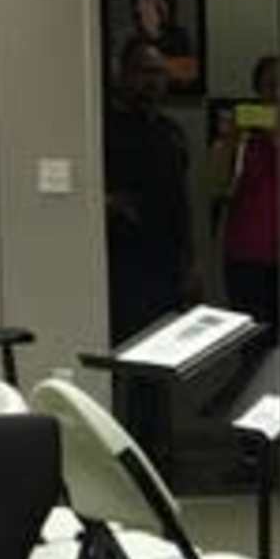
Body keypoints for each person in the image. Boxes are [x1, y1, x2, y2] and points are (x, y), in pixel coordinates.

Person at [216, 53, 280, 350]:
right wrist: (231, 140)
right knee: (254, 351)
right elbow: (217, 185)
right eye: (268, 86)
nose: (277, 95)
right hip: (247, 258)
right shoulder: (247, 136)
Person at [100, 40, 196, 349]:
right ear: (124, 75)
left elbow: (181, 200)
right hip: (123, 262)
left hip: (167, 263)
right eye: (144, 71)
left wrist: (190, 263)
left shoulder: (171, 132)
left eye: (160, 73)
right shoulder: (103, 129)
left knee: (164, 354)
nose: (153, 81)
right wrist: (108, 203)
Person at [117, 0, 198, 93]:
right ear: (137, 6)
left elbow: (192, 74)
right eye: (147, 0)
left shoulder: (181, 38)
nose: (155, 7)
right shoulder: (130, 43)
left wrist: (161, 62)